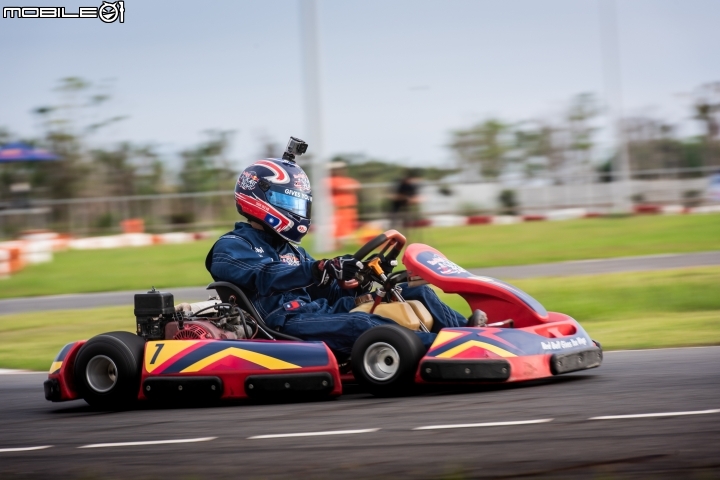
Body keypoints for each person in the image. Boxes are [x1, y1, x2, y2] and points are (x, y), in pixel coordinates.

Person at [205, 138, 480, 357]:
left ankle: (471, 335)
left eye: (297, 203)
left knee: (412, 290)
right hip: (284, 322)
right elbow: (266, 276)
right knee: (360, 325)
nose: (294, 210)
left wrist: (353, 280)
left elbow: (323, 288)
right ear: (257, 198)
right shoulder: (231, 247)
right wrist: (322, 268)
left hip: (317, 311)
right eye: (287, 202)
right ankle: (443, 351)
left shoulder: (291, 249)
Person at [327, 161, 361, 244]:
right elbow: (340, 188)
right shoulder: (329, 180)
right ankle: (336, 246)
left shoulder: (347, 179)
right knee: (337, 231)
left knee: (348, 231)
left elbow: (357, 186)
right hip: (338, 209)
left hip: (349, 208)